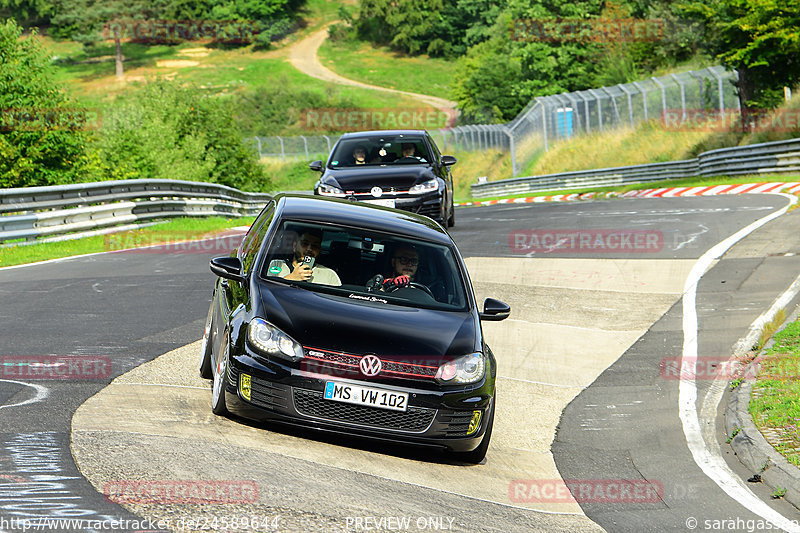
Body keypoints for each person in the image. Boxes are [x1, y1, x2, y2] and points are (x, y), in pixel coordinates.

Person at [275, 229, 341, 286]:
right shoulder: (277, 265)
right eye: (304, 244)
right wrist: (291, 278)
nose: (309, 249)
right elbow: (268, 289)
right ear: (294, 246)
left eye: (315, 246)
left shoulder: (329, 275)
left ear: (319, 250)